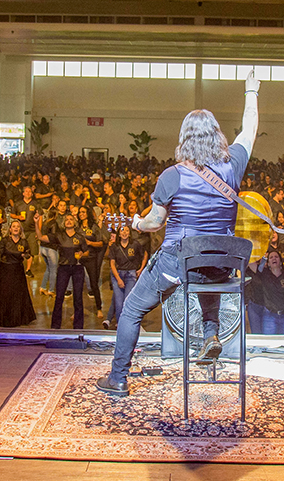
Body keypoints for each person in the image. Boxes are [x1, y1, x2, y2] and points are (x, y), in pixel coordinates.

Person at [98, 70, 261, 397]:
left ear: (185, 137)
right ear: (216, 135)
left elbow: (155, 223)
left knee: (131, 309)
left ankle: (118, 377)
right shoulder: (235, 163)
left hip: (179, 263)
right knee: (208, 275)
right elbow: (250, 129)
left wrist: (135, 223)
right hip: (221, 262)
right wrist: (251, 91)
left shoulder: (172, 175)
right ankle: (210, 336)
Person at [39, 213, 90, 329]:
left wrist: (82, 254)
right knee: (59, 297)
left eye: (71, 219)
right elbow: (41, 237)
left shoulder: (80, 237)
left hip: (77, 268)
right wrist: (37, 223)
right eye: (67, 219)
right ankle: (55, 326)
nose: (69, 221)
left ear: (75, 223)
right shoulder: (59, 236)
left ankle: (78, 326)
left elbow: (87, 252)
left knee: (78, 298)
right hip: (63, 268)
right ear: (64, 223)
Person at [246, 249, 284, 334]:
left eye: (276, 257)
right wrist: (261, 254)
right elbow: (250, 263)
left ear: (280, 262)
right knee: (269, 344)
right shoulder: (264, 275)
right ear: (268, 263)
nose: (274, 258)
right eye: (271, 257)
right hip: (269, 317)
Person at [0, 220, 38, 327]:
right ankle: (5, 318)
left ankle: (18, 318)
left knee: (18, 295)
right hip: (5, 270)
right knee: (5, 294)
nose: (16, 228)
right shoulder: (4, 241)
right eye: (14, 226)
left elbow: (29, 255)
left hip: (18, 271)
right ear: (10, 229)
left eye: (18, 226)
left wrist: (26, 260)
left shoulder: (24, 242)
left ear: (20, 229)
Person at [105, 224, 147, 330]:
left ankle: (127, 323)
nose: (124, 233)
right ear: (119, 234)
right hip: (117, 274)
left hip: (131, 275)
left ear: (129, 233)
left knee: (127, 300)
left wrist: (141, 269)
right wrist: (118, 279)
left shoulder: (135, 244)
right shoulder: (114, 246)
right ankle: (120, 324)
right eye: (122, 231)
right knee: (118, 302)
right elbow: (112, 264)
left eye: (127, 230)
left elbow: (144, 255)